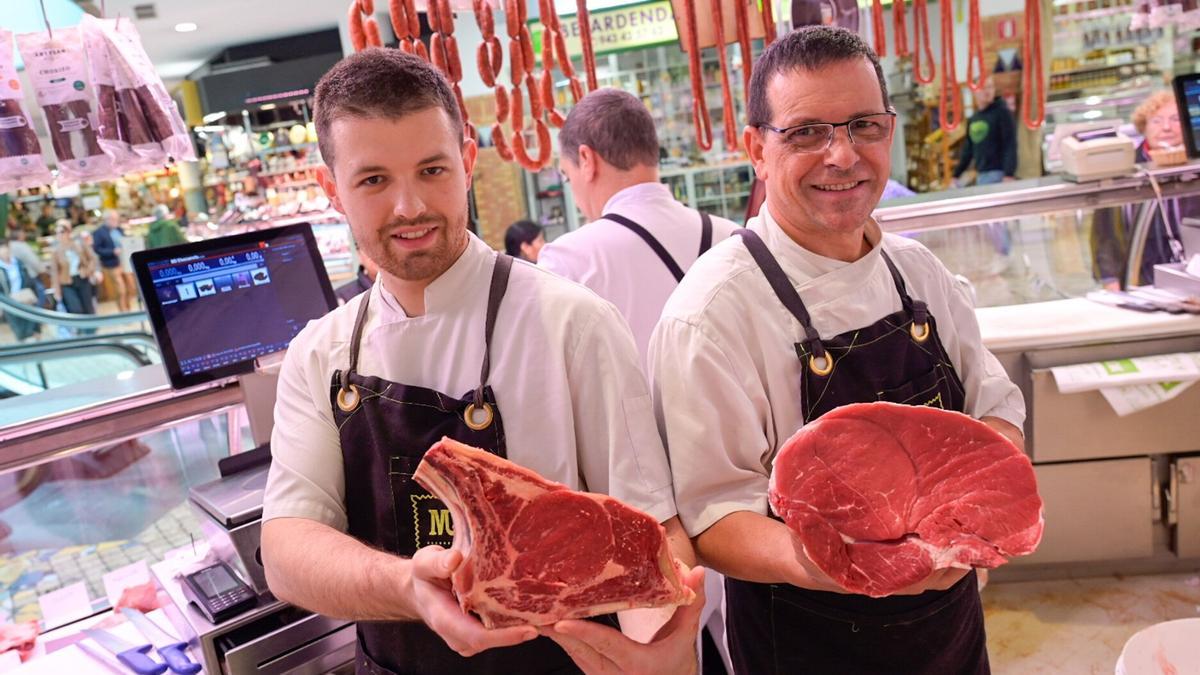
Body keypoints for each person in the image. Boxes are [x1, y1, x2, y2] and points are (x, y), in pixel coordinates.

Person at [260, 48, 704, 675]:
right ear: (330, 190)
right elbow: (285, 549)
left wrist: (664, 655)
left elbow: (651, 535)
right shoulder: (321, 352)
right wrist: (409, 585)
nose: (409, 206)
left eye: (432, 170)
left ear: (467, 160)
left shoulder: (572, 324)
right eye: (374, 180)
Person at [649, 27, 1026, 675]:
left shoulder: (917, 272)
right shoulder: (712, 314)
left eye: (863, 127)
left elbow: (995, 408)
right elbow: (713, 516)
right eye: (806, 132)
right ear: (756, 151)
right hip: (809, 639)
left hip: (950, 628)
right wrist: (850, 565)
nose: (843, 155)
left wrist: (979, 512)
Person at [537, 87, 739, 673]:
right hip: (733, 487)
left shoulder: (570, 259)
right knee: (743, 640)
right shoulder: (731, 237)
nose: (575, 188)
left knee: (671, 647)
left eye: (569, 173)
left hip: (644, 507)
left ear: (588, 161)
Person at [1092, 90, 1196, 288]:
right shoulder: (1124, 168)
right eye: (1156, 121)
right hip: (1140, 280)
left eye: (1176, 119)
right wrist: (1111, 279)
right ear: (1144, 127)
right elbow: (1104, 233)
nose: (1166, 128)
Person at [952, 77, 1018, 186]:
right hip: (982, 175)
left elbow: (1010, 144)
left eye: (990, 87)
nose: (987, 91)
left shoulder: (1002, 112)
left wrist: (1008, 174)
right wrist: (956, 175)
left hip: (1000, 174)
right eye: (983, 87)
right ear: (974, 90)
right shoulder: (974, 118)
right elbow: (968, 150)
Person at [50, 221, 100, 335]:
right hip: (67, 282)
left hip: (82, 279)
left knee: (88, 307)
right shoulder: (56, 251)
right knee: (75, 308)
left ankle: (91, 332)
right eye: (57, 233)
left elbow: (92, 258)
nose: (60, 235)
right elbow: (55, 272)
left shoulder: (79, 244)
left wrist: (89, 270)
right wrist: (56, 290)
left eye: (62, 232)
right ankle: (80, 331)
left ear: (68, 233)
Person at [0, 237, 42, 342]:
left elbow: (29, 280)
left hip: (25, 300)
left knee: (33, 328)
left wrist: (34, 294)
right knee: (20, 332)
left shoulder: (18, 263)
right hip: (11, 304)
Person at [92, 210, 134, 312]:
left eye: (116, 219)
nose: (116, 221)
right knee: (120, 290)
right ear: (107, 219)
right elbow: (97, 249)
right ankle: (123, 311)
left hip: (124, 262)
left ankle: (128, 308)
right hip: (111, 264)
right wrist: (112, 251)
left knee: (131, 287)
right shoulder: (99, 233)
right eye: (113, 219)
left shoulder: (119, 230)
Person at [7, 227, 48, 308]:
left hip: (16, 280)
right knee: (39, 294)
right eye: (23, 233)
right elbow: (34, 261)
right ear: (20, 235)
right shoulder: (21, 246)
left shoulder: (8, 245)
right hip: (30, 276)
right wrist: (43, 271)